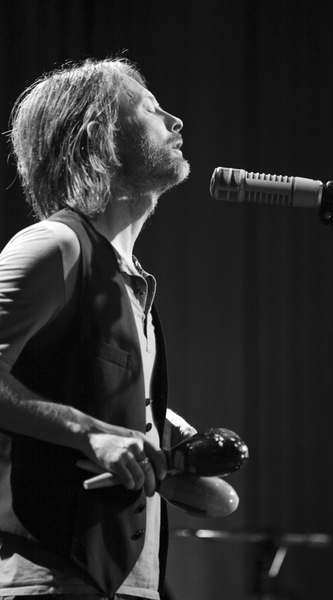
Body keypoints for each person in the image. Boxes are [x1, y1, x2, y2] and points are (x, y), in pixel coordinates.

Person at [0, 57, 195, 600]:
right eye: (151, 109)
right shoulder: (56, 246)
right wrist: (89, 432)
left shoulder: (130, 279)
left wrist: (163, 433)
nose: (175, 121)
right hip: (49, 579)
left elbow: (78, 382)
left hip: (126, 583)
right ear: (100, 136)